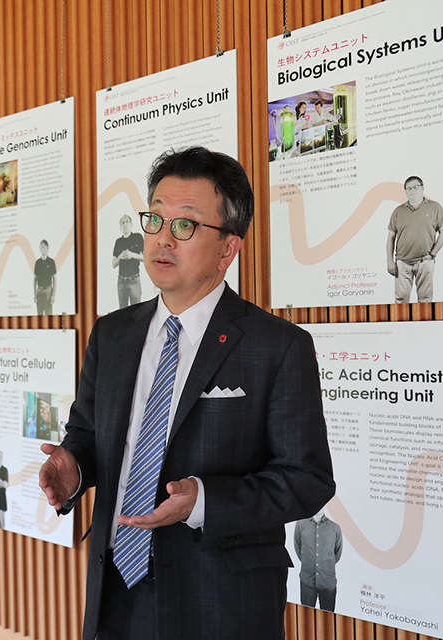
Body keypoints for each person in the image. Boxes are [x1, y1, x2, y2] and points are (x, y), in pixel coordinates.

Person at [39, 146, 334, 640]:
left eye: (186, 225)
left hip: (218, 600)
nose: (162, 238)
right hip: (116, 588)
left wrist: (203, 501)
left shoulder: (278, 347)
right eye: (154, 219)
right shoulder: (111, 335)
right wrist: (76, 468)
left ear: (228, 248)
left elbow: (307, 479)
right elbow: (88, 432)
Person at [386, 176, 443, 303]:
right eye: (408, 188)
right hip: (402, 262)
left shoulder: (435, 207)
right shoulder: (398, 211)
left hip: (425, 261)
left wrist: (433, 254)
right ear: (405, 191)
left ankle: (424, 323)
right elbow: (391, 238)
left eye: (415, 187)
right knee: (401, 300)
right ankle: (403, 324)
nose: (412, 191)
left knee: (425, 300)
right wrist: (390, 261)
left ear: (422, 188)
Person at [294, 507, 343, 612]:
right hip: (307, 581)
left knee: (329, 621)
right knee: (305, 619)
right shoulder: (301, 524)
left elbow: (337, 553)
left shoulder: (335, 528)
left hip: (328, 583)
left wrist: (325, 565)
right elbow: (298, 547)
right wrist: (308, 562)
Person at [112, 213, 145, 308]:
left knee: (136, 312)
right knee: (123, 312)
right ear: (120, 227)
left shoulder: (138, 237)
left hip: (134, 280)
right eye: (122, 223)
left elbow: (146, 258)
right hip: (121, 281)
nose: (125, 224)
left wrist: (132, 255)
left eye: (127, 222)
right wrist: (120, 257)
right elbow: (113, 264)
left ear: (131, 225)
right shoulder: (118, 242)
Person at [33, 239, 56, 315]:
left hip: (48, 291)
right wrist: (34, 293)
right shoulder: (37, 262)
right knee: (39, 314)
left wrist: (53, 295)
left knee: (48, 315)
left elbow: (54, 279)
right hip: (39, 290)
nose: (42, 249)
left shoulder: (51, 262)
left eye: (44, 247)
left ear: (47, 249)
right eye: (41, 247)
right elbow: (35, 279)